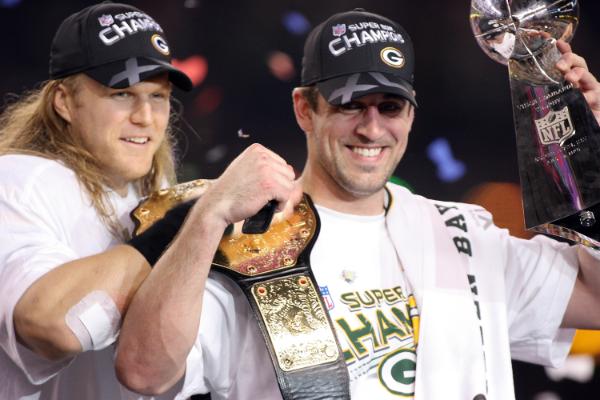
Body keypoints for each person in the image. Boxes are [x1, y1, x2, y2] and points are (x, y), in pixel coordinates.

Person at [114, 8, 600, 400]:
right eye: (350, 104)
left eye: (390, 107)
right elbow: (143, 374)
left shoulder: (464, 236)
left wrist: (588, 154)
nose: (371, 129)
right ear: (304, 108)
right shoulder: (243, 241)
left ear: (411, 113)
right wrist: (211, 214)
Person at [0, 2, 297, 399]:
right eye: (121, 94)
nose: (145, 116)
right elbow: (52, 327)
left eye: (158, 96)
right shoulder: (19, 180)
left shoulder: (149, 190)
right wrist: (188, 220)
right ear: (64, 101)